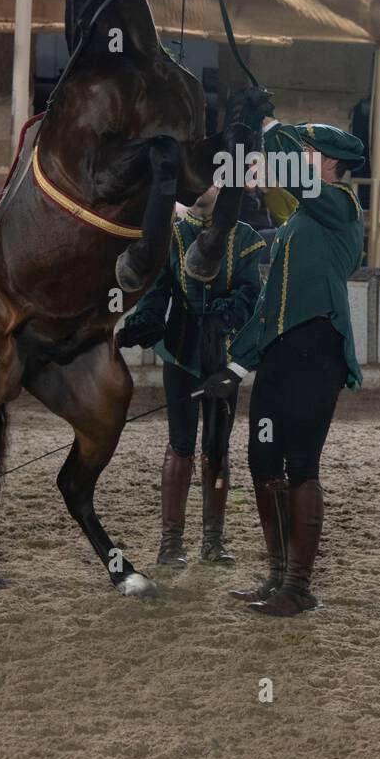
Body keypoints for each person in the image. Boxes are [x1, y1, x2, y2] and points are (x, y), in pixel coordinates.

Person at [203, 115, 366, 617]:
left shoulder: (339, 205)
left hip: (317, 352)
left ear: (331, 162)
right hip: (279, 355)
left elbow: (291, 170)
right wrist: (234, 366)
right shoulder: (302, 219)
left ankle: (298, 587)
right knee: (263, 463)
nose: (302, 156)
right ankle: (276, 577)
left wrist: (271, 123)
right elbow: (271, 305)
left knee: (301, 467)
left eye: (310, 150)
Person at [117, 185, 266, 568]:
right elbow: (158, 291)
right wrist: (145, 322)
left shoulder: (246, 238)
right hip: (181, 356)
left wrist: (223, 314)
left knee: (217, 448)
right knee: (179, 445)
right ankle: (171, 544)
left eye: (209, 181)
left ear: (223, 186)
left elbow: (252, 294)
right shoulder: (174, 234)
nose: (200, 189)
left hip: (222, 359)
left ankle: (213, 542)